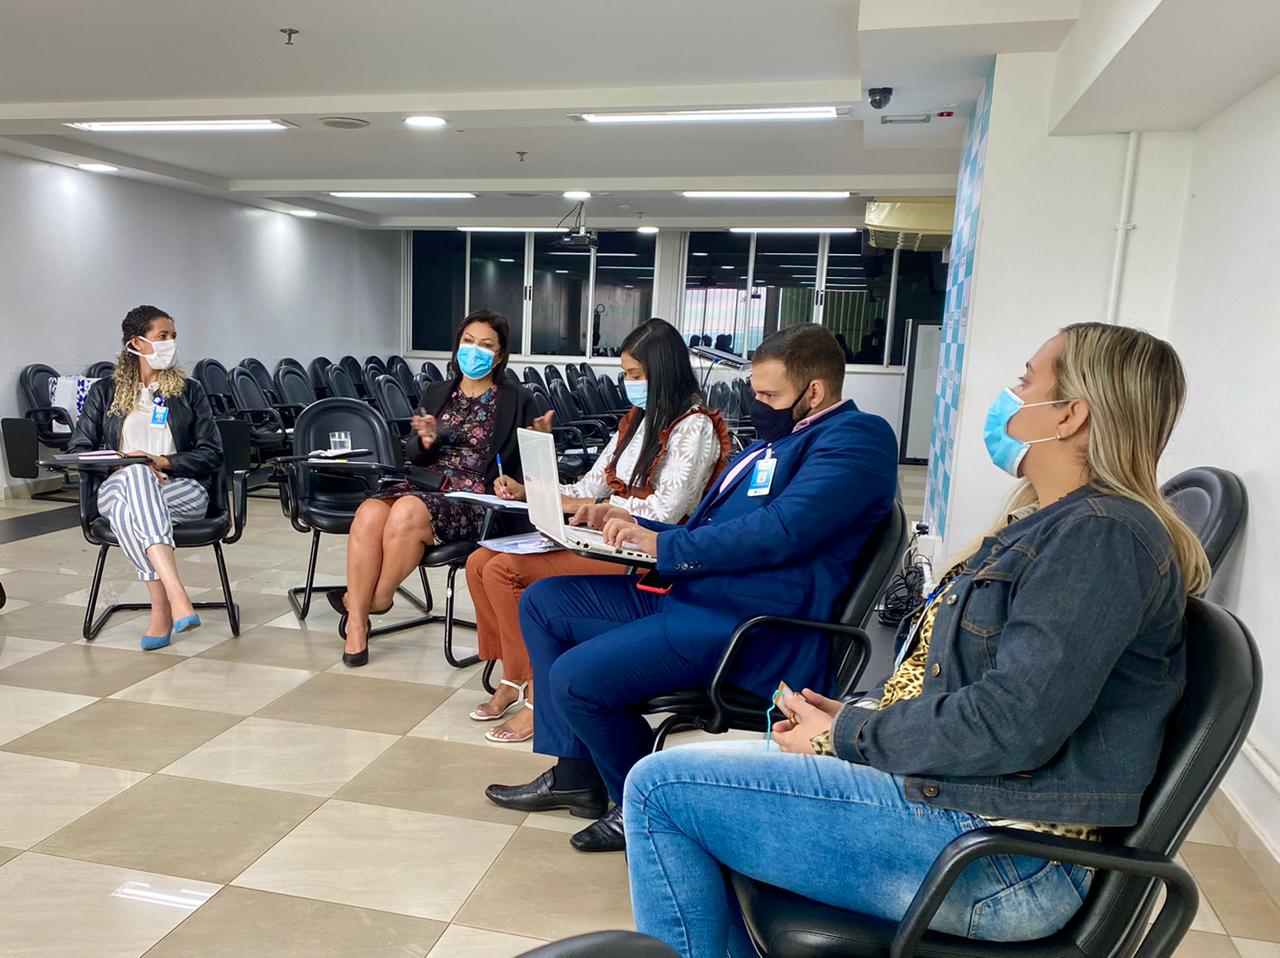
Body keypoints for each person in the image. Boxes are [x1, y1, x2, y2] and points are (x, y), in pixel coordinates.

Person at [621, 322, 1211, 956]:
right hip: (968, 812)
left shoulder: (1098, 537)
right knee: (699, 783)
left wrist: (846, 735)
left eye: (1027, 380)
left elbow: (1013, 722)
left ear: (1069, 415)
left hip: (1002, 862)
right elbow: (973, 685)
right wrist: (854, 716)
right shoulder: (1056, 522)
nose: (1011, 392)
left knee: (658, 790)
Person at [485, 324, 899, 852]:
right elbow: (712, 529)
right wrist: (641, 531)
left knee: (574, 679)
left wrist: (666, 550)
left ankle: (648, 809)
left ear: (814, 392)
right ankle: (575, 775)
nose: (757, 404)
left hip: (749, 624)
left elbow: (783, 530)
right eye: (755, 391)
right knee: (547, 602)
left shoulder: (856, 438)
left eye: (769, 395)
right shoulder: (780, 441)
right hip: (702, 595)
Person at [466, 318, 731, 743]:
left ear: (663, 372)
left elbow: (665, 511)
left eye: (635, 375)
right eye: (627, 374)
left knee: (504, 571)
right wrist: (528, 490)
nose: (629, 384)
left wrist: (593, 506)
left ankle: (536, 697)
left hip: (642, 555)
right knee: (480, 562)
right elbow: (587, 487)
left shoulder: (693, 426)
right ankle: (514, 676)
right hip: (605, 537)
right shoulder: (638, 421)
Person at [331, 309, 536, 667]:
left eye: (486, 345)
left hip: (473, 498)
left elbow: (531, 463)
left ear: (500, 355)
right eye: (468, 341)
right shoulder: (437, 391)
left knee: (408, 510)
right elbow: (411, 453)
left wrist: (520, 477)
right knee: (368, 513)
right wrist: (425, 440)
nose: (474, 350)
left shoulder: (517, 399)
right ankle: (358, 625)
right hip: (424, 483)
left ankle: (376, 599)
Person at [68, 305, 223, 651]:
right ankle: (176, 593)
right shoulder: (105, 393)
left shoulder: (189, 390)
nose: (170, 344)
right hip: (118, 485)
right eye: (162, 337)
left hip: (181, 489)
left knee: (129, 510)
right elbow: (80, 450)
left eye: (173, 337)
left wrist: (164, 461)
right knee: (136, 476)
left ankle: (161, 607)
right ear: (136, 343)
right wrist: (124, 463)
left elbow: (213, 453)